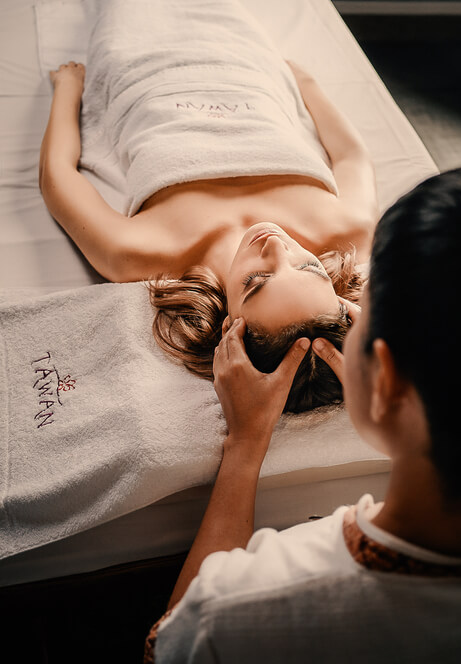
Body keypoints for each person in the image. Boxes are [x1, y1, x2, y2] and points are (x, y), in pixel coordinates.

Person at [144, 163, 461, 663]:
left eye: (364, 315)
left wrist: (245, 447)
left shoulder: (243, 609)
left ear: (385, 380)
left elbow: (168, 644)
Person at [38, 0, 378, 414]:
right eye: (308, 267)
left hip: (145, 64)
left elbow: (58, 177)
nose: (276, 245)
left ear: (230, 329)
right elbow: (352, 156)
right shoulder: (350, 228)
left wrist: (68, 90)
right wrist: (305, 84)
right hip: (247, 64)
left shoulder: (139, 252)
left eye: (256, 280)